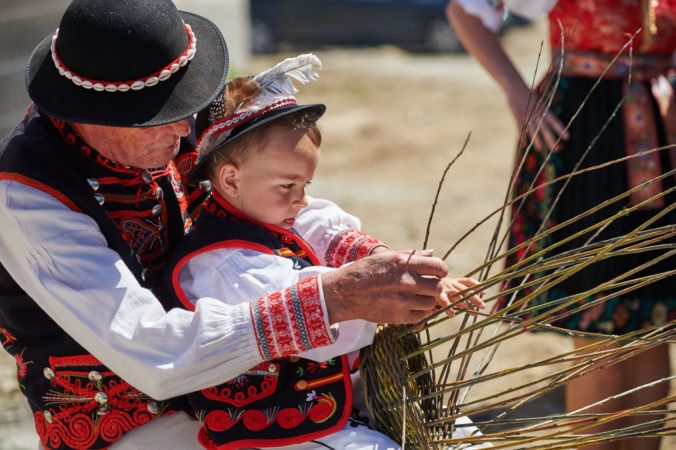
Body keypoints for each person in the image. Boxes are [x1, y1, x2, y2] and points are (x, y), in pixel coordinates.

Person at [0, 1, 455, 449]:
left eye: (183, 105)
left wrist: (370, 261)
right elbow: (154, 353)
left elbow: (281, 200)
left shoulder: (186, 106)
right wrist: (334, 298)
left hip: (260, 379)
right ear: (90, 113)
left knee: (446, 434)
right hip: (129, 420)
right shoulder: (30, 197)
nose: (184, 129)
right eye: (156, 118)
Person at [159, 53, 488, 449]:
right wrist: (396, 297)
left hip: (338, 404)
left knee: (465, 437)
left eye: (306, 186)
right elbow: (316, 319)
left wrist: (411, 278)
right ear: (230, 179)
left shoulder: (269, 213)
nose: (301, 200)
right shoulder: (221, 264)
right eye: (288, 187)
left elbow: (327, 232)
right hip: (283, 429)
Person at [447, 1, 675, 450]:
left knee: (655, 326)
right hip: (586, 135)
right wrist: (517, 92)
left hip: (664, 134)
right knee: (599, 333)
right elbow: (466, 10)